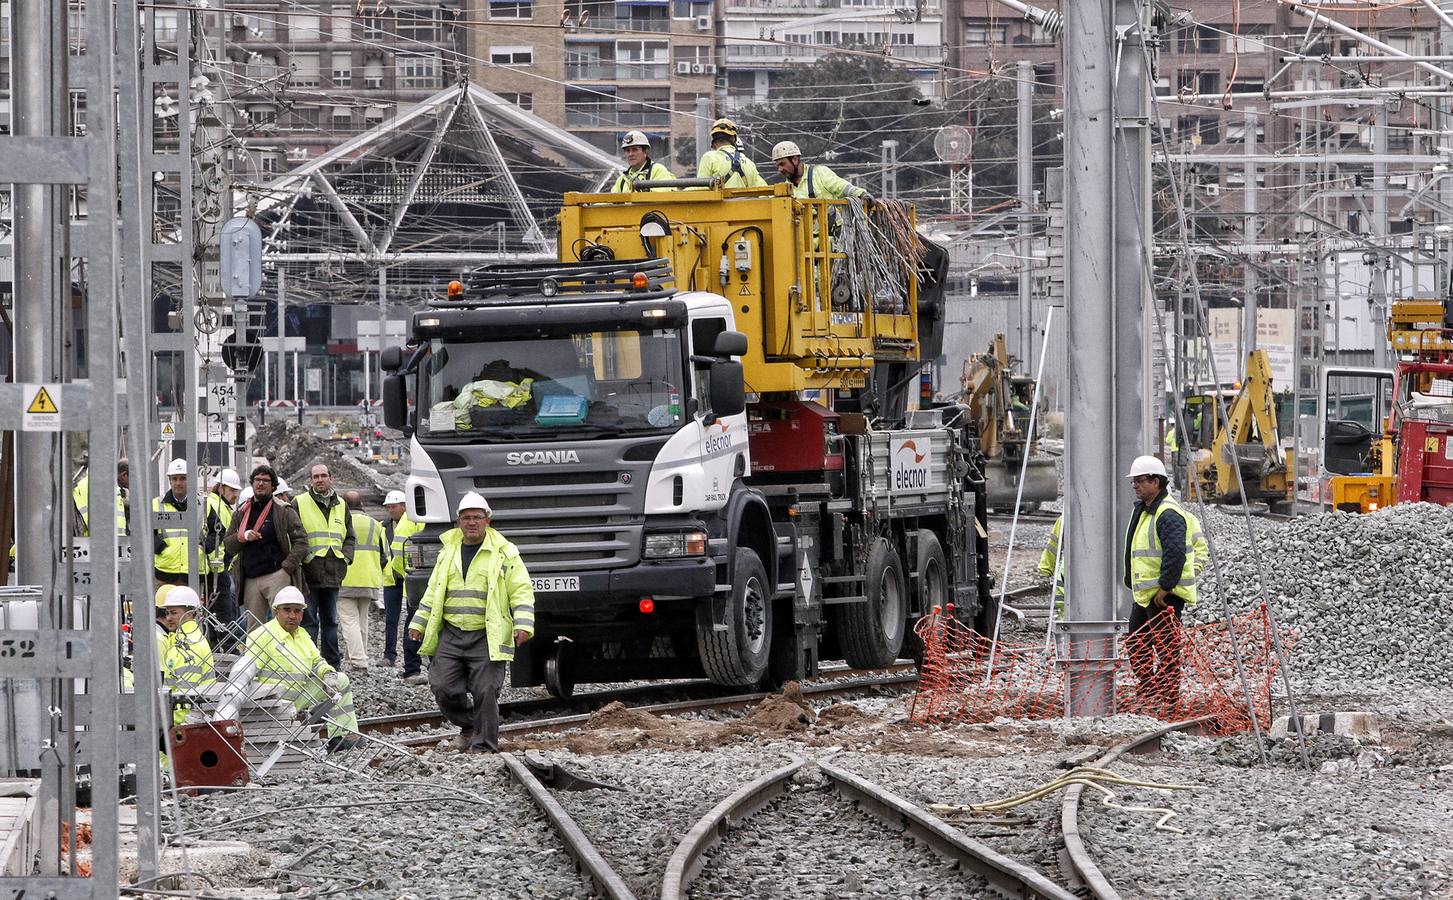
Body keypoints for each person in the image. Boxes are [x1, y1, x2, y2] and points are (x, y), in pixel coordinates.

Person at [407, 491, 534, 753]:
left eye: (477, 517)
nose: (472, 522)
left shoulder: (504, 553)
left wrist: (523, 623)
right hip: (452, 633)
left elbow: (520, 588)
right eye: (466, 518)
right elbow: (434, 591)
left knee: (486, 690)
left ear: (488, 521)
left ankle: (484, 747)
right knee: (442, 686)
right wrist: (418, 622)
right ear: (459, 522)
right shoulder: (448, 551)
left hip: (486, 633)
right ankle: (470, 725)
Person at [1122, 455, 1208, 712]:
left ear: (1155, 481)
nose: (1135, 485)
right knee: (1137, 641)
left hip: (1163, 595)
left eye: (1139, 480)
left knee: (1166, 646)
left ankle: (1169, 697)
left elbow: (1175, 553)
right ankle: (1150, 688)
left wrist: (1166, 586)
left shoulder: (1167, 513)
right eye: (1133, 481)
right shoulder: (1145, 510)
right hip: (1147, 594)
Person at [228, 586, 359, 748]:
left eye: (297, 611)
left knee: (341, 680)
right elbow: (250, 675)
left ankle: (341, 736)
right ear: (276, 611)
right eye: (287, 610)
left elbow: (317, 661)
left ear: (302, 614)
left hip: (296, 700)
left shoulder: (302, 635)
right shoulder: (262, 635)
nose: (292, 616)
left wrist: (328, 674)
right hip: (272, 704)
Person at [223, 465, 308, 625]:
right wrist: (243, 536)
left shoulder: (283, 511)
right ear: (252, 483)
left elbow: (301, 541)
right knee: (254, 629)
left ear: (273, 486)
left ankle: (283, 651)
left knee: (283, 624)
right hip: (251, 579)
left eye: (265, 481)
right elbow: (228, 544)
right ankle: (255, 652)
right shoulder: (242, 512)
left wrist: (287, 567)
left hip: (276, 575)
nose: (260, 484)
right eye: (257, 480)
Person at [292, 464, 356, 669]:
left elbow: (349, 536)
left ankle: (332, 665)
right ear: (310, 480)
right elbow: (291, 535)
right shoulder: (299, 503)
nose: (319, 480)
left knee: (331, 622)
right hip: (308, 573)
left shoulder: (342, 505)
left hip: (333, 573)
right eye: (315, 477)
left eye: (323, 476)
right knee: (309, 622)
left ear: (331, 478)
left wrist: (345, 558)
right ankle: (310, 664)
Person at [338, 491, 387, 671]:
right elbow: (385, 555)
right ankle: (358, 655)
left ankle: (359, 661)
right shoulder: (376, 524)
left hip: (346, 578)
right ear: (362, 504)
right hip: (369, 579)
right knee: (362, 620)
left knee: (349, 621)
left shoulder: (341, 522)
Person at [382, 489, 422, 670]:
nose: (391, 510)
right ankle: (389, 655)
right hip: (392, 577)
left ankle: (415, 658)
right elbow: (382, 550)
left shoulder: (412, 523)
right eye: (389, 507)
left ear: (404, 506)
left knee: (413, 617)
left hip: (407, 577)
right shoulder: (384, 526)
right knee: (391, 619)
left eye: (394, 506)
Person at [205, 469, 244, 650]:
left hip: (220, 565)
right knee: (223, 610)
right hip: (215, 565)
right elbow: (215, 535)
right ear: (220, 488)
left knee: (216, 610)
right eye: (232, 490)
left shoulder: (223, 506)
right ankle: (228, 647)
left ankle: (215, 644)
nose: (235, 495)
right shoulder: (214, 504)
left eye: (236, 491)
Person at [153, 459, 205, 589]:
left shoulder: (203, 504)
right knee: (161, 609)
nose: (178, 482)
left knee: (191, 610)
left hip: (194, 572)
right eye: (174, 478)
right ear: (169, 480)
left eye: (183, 478)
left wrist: (205, 547)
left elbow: (217, 531)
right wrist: (160, 548)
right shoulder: (156, 504)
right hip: (165, 573)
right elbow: (145, 532)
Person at [771, 140, 871, 202]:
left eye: (782, 164)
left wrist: (861, 194)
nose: (780, 169)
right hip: (804, 236)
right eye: (777, 166)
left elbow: (841, 186)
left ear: (795, 159)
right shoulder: (785, 190)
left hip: (830, 235)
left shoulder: (819, 173)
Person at [696, 118, 767, 189]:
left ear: (713, 142)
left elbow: (701, 188)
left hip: (720, 200)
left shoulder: (709, 157)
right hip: (746, 200)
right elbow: (764, 190)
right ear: (734, 138)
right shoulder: (749, 163)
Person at [73, 458, 129, 537]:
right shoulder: (105, 487)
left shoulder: (104, 484)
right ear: (124, 475)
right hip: (99, 543)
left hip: (100, 543)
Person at [1036, 514, 1065, 619]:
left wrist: (1044, 572)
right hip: (1069, 577)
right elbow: (1053, 547)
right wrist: (1044, 572)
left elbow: (1052, 547)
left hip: (1069, 577)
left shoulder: (1067, 516)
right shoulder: (1067, 517)